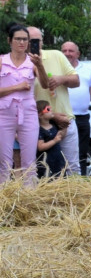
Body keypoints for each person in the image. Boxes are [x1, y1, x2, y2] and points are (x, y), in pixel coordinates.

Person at [1, 24, 50, 184]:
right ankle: (4, 200)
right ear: (10, 41)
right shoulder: (2, 61)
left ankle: (29, 199)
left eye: (25, 39)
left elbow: (45, 84)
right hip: (4, 114)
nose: (21, 42)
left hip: (27, 114)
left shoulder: (33, 62)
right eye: (18, 39)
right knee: (4, 162)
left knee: (29, 162)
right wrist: (17, 87)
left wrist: (41, 65)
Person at [29, 27, 79, 175]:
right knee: (44, 169)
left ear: (42, 42)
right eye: (30, 40)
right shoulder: (22, 65)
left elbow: (76, 81)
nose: (33, 44)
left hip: (65, 119)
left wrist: (61, 79)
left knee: (72, 168)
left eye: (37, 41)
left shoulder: (56, 55)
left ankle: (75, 198)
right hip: (39, 124)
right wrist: (53, 115)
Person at [63, 41, 91, 174]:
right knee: (63, 155)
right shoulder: (57, 70)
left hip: (82, 118)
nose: (67, 53)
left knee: (82, 153)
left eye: (70, 51)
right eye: (64, 51)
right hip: (63, 118)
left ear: (78, 54)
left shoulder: (87, 71)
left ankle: (80, 183)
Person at [35, 99, 67, 178]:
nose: (51, 110)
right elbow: (40, 147)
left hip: (58, 159)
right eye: (48, 109)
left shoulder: (53, 124)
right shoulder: (40, 130)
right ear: (39, 114)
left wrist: (64, 127)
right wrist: (54, 140)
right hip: (47, 162)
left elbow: (61, 136)